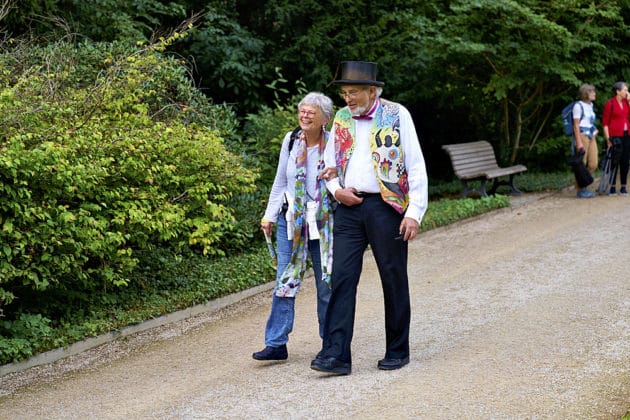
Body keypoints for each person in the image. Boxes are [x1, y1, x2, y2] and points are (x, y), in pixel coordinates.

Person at [310, 61, 428, 375]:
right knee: (342, 278)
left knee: (393, 276)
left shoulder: (396, 114)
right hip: (349, 206)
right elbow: (329, 162)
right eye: (345, 92)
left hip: (386, 206)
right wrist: (336, 191)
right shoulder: (341, 118)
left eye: (354, 92)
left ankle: (397, 350)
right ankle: (335, 355)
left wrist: (414, 212)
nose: (348, 98)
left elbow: (415, 165)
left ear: (372, 90)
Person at [253, 92, 335, 361]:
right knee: (284, 281)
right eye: (302, 111)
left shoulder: (335, 143)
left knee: (326, 284)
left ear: (325, 117)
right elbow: (280, 182)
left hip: (322, 224)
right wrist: (269, 216)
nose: (305, 115)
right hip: (291, 222)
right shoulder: (291, 141)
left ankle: (331, 342)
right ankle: (276, 343)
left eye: (312, 112)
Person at [602, 81, 630, 196]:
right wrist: (608, 139)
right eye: (625, 90)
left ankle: (623, 186)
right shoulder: (610, 104)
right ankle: (612, 186)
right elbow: (605, 123)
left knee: (625, 161)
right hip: (615, 135)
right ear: (618, 91)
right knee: (614, 160)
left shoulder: (626, 102)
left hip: (626, 134)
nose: (627, 92)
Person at [571, 83, 598, 198]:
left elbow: (589, 122)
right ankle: (581, 189)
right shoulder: (578, 106)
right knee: (582, 163)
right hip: (582, 136)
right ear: (586, 93)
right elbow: (576, 125)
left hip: (591, 136)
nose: (594, 93)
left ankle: (583, 184)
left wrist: (595, 130)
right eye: (592, 92)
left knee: (593, 163)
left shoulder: (590, 105)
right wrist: (579, 142)